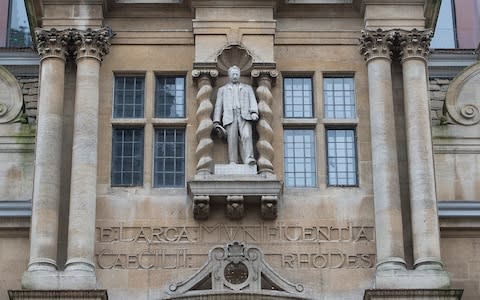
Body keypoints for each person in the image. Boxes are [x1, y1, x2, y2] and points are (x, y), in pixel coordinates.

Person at [213, 65, 258, 165]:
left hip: (244, 115)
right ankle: (233, 161)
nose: (235, 76)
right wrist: (216, 121)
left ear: (239, 75)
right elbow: (218, 106)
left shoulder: (247, 88)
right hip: (229, 115)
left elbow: (253, 101)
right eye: (233, 74)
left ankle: (249, 158)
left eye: (237, 74)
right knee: (232, 139)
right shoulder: (222, 89)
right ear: (229, 76)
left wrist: (254, 112)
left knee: (246, 135)